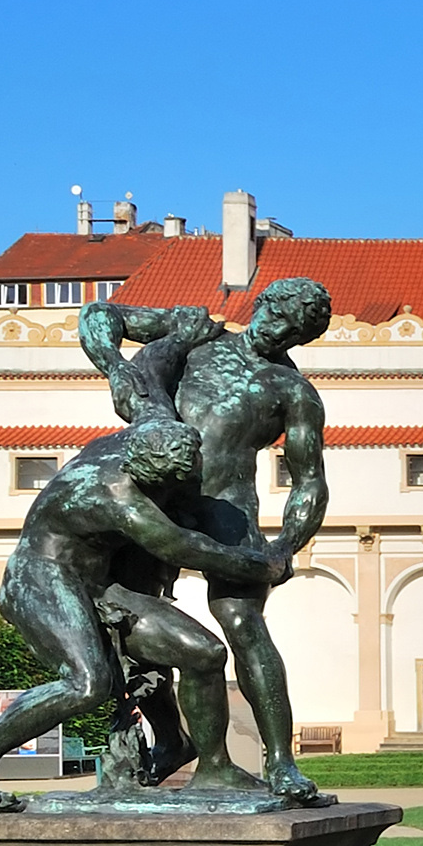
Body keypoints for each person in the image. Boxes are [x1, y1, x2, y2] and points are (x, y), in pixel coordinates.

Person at [0, 418, 292, 813]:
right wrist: (269, 566)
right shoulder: (119, 499)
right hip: (40, 579)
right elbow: (188, 549)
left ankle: (214, 768)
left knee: (204, 653)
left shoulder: (129, 442)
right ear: (152, 480)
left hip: (99, 585)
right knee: (86, 684)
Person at [82, 278, 333, 801]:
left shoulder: (292, 391)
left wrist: (287, 544)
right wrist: (116, 366)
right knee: (130, 615)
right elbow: (99, 316)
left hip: (227, 510)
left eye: (294, 329)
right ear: (260, 303)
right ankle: (169, 739)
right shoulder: (198, 335)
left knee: (245, 625)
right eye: (277, 313)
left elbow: (310, 481)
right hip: (155, 497)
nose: (279, 329)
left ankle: (281, 763)